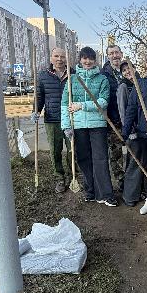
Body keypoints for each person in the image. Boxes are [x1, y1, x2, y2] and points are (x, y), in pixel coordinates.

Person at [62, 46, 117, 207]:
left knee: (100, 159)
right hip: (78, 126)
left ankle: (105, 194)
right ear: (80, 60)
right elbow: (64, 104)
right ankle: (90, 191)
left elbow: (103, 102)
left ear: (95, 61)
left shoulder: (102, 79)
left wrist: (81, 105)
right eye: (85, 58)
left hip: (97, 124)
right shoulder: (72, 79)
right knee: (83, 159)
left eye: (91, 58)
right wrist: (66, 126)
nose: (87, 61)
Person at [121, 51, 147, 213]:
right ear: (146, 64)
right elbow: (131, 109)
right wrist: (125, 132)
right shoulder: (140, 84)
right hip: (146, 131)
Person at [31, 47, 72, 193]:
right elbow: (39, 96)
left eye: (62, 56)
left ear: (66, 58)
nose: (59, 59)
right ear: (51, 58)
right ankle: (59, 177)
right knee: (55, 151)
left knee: (73, 150)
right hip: (52, 119)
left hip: (71, 119)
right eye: (56, 56)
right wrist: (35, 111)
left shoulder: (73, 74)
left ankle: (72, 175)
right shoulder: (43, 76)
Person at [100, 44, 126, 191]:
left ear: (121, 53)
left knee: (133, 151)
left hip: (129, 120)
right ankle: (121, 180)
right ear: (108, 56)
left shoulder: (127, 70)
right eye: (111, 53)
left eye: (117, 52)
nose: (115, 55)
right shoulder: (104, 74)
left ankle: (132, 179)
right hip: (113, 120)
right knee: (116, 153)